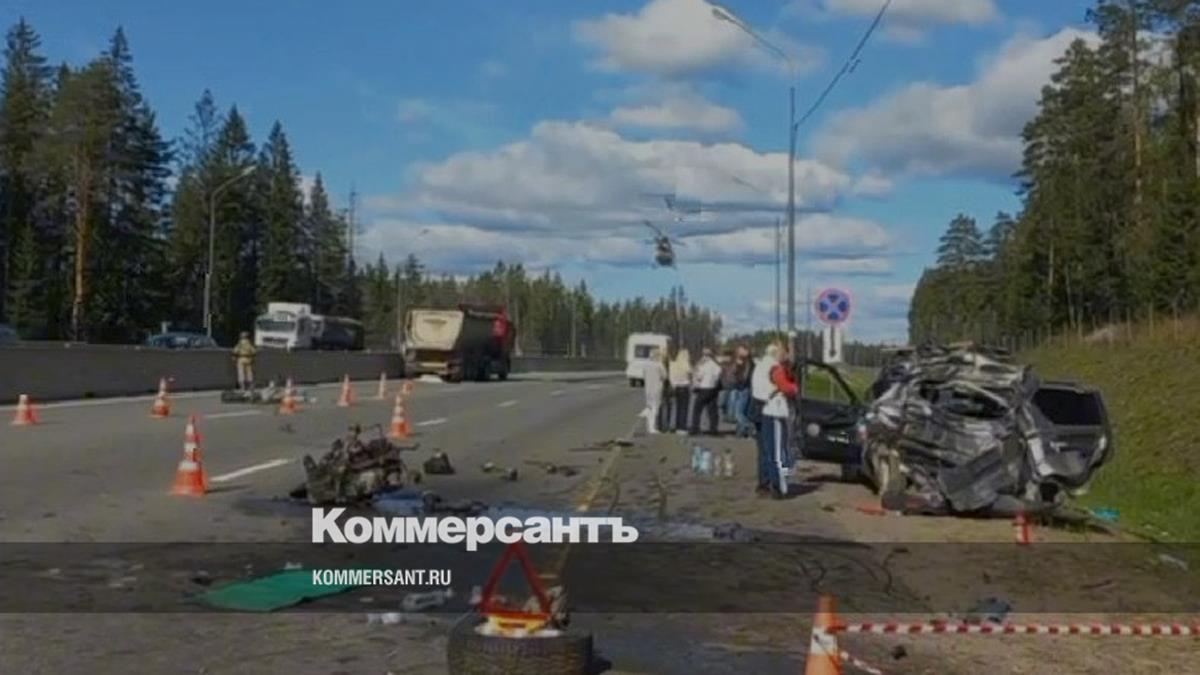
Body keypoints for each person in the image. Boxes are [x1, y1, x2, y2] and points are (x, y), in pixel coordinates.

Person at [751, 341, 799, 498]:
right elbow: (786, 387)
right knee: (776, 451)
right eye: (784, 353)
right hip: (774, 410)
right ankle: (778, 486)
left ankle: (763, 483)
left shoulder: (760, 365)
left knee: (764, 450)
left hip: (760, 408)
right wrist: (795, 387)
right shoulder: (775, 368)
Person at [690, 347, 722, 435]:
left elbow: (699, 376)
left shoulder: (703, 364)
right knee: (712, 410)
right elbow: (718, 374)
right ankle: (713, 429)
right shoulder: (715, 364)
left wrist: (696, 372)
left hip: (703, 388)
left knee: (697, 409)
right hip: (713, 388)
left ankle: (695, 428)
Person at [730, 345, 755, 438]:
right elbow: (732, 373)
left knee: (738, 413)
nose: (740, 352)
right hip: (736, 387)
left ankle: (749, 425)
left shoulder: (748, 363)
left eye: (742, 350)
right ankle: (741, 431)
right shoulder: (736, 361)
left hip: (744, 389)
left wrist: (739, 366)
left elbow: (745, 377)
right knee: (738, 411)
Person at [642, 348, 667, 435]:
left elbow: (644, 375)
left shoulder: (646, 364)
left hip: (648, 388)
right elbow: (664, 376)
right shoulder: (659, 365)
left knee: (649, 406)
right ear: (657, 356)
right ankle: (652, 428)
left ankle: (649, 426)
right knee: (655, 408)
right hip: (657, 389)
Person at [668, 348, 692, 434]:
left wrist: (673, 384)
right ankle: (682, 427)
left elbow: (670, 377)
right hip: (684, 387)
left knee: (677, 408)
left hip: (676, 387)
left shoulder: (673, 364)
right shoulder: (686, 364)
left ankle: (677, 426)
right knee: (684, 408)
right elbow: (690, 374)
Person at [718, 349, 737, 423]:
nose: (726, 358)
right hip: (724, 386)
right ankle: (725, 414)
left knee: (731, 402)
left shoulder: (734, 364)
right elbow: (720, 374)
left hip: (732, 385)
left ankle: (730, 417)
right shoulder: (722, 365)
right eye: (725, 356)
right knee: (723, 402)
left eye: (728, 356)